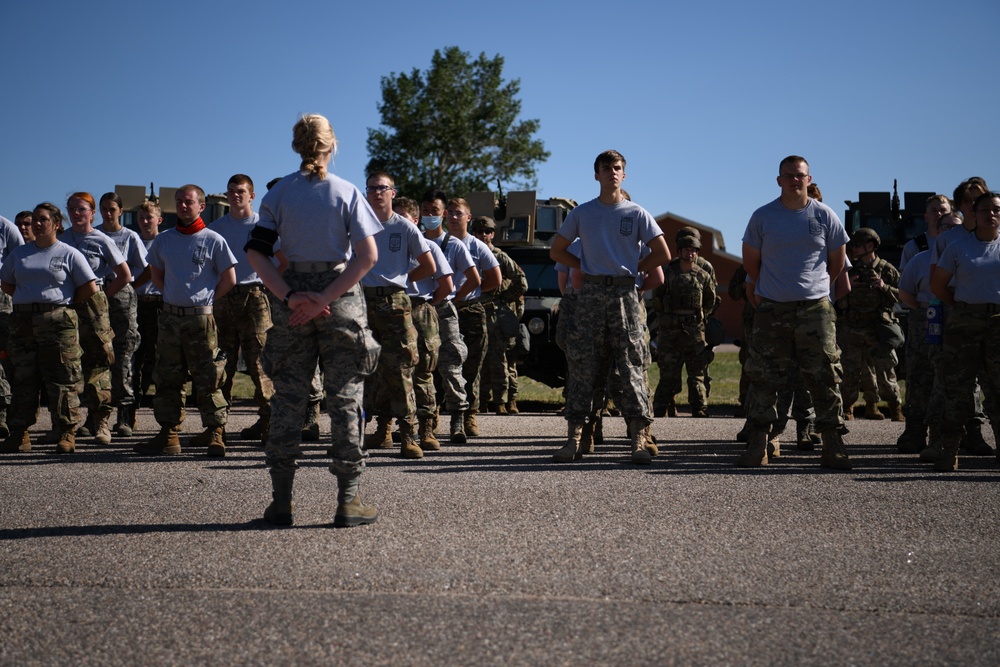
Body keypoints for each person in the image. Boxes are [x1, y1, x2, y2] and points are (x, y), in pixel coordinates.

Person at [246, 113, 382, 528]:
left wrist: (292, 297)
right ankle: (348, 500)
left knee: (288, 397)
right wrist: (326, 297)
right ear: (331, 145)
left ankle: (281, 502)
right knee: (344, 398)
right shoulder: (346, 192)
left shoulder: (279, 194)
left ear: (296, 146)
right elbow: (367, 257)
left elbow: (256, 253)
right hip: (339, 294)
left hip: (294, 294)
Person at [549, 149, 669, 464]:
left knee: (631, 366)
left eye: (617, 168)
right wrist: (584, 266)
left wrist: (635, 271)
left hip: (625, 296)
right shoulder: (582, 214)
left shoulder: (636, 213)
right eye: (606, 168)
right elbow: (557, 250)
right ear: (596, 175)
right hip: (590, 296)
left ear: (624, 174)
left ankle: (639, 441)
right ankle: (573, 440)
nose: (612, 172)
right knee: (583, 367)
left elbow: (662, 253)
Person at [737, 155, 851, 469]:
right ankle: (758, 443)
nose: (794, 180)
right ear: (779, 181)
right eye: (788, 176)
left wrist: (817, 289)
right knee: (764, 377)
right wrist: (772, 290)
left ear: (809, 179)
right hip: (773, 309)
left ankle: (832, 444)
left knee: (825, 376)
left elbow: (837, 262)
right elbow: (751, 264)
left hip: (815, 310)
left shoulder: (825, 215)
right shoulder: (763, 217)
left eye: (800, 175)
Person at [134, 185, 236, 457]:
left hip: (200, 319)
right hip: (169, 318)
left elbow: (229, 278)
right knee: (167, 376)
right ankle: (169, 434)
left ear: (201, 206)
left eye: (188, 202)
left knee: (209, 377)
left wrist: (207, 301)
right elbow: (157, 276)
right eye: (179, 202)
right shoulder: (164, 240)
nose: (182, 206)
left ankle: (215, 432)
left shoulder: (213, 239)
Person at [0, 203, 96, 454]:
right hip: (23, 322)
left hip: (57, 322)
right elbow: (7, 284)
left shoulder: (68, 253)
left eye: (43, 220)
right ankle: (20, 433)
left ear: (56, 224)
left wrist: (62, 303)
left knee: (63, 378)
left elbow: (89, 287)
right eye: (35, 220)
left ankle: (66, 432)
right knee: (23, 378)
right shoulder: (19, 254)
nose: (37, 224)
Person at [360, 171, 435, 458]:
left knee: (401, 369)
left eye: (383, 188)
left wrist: (401, 279)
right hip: (363, 301)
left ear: (393, 192)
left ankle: (408, 435)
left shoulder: (404, 227)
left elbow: (428, 265)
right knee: (364, 370)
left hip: (395, 302)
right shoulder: (357, 225)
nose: (377, 192)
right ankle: (366, 433)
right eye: (372, 188)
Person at [928, 191, 1000, 471]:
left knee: (997, 389)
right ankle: (950, 451)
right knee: (956, 389)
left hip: (998, 323)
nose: (991, 214)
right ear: (973, 214)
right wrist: (961, 307)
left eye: (996, 209)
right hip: (964, 323)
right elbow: (938, 286)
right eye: (985, 210)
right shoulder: (959, 246)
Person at [210, 175, 277, 444]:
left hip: (255, 296)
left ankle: (270, 423)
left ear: (252, 195)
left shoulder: (264, 225)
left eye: (241, 191)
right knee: (220, 363)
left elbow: (280, 261)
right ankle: (216, 427)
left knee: (259, 362)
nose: (235, 196)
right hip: (225, 297)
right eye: (231, 192)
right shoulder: (216, 228)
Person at [63, 192, 130, 446]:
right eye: (72, 209)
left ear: (92, 213)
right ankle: (66, 425)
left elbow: (124, 275)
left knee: (99, 363)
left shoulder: (100, 240)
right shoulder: (62, 239)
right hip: (67, 305)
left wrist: (102, 296)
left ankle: (101, 421)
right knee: (67, 365)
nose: (77, 214)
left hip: (93, 306)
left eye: (82, 209)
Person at [397, 197, 452, 451]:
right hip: (391, 311)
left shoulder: (429, 246)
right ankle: (385, 428)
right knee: (389, 372)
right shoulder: (386, 244)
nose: (398, 222)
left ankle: (426, 431)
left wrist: (426, 305)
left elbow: (446, 285)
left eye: (403, 218)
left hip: (419, 310)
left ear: (415, 221)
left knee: (423, 373)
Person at [421, 189, 476, 443]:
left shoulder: (453, 244)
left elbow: (475, 279)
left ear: (443, 214)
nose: (430, 215)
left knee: (451, 363)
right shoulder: (416, 240)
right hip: (420, 308)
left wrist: (454, 298)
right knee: (421, 366)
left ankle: (457, 420)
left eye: (435, 211)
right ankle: (426, 419)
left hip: (443, 308)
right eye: (426, 211)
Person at [835, 227, 903, 421]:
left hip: (878, 329)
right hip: (852, 328)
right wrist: (848, 287)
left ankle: (895, 407)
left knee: (885, 371)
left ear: (870, 245)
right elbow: (837, 301)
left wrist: (883, 286)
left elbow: (903, 296)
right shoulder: (849, 270)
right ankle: (847, 407)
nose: (853, 249)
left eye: (857, 245)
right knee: (850, 371)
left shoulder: (887, 269)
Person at [446, 199, 501, 437]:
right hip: (444, 309)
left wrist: (471, 293)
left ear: (469, 218)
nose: (454, 217)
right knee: (440, 365)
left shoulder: (477, 246)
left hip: (470, 310)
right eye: (451, 213)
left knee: (472, 366)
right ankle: (434, 414)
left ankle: (470, 414)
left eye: (459, 213)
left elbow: (494, 279)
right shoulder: (439, 243)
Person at [97, 192, 149, 437]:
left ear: (120, 210)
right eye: (104, 209)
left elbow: (147, 269)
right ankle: (96, 416)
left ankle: (125, 416)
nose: (108, 213)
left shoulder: (130, 237)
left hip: (122, 300)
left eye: (112, 209)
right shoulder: (93, 235)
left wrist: (128, 288)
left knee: (124, 356)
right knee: (97, 356)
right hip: (96, 300)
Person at [651, 232, 718, 419]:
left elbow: (710, 302)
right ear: (679, 251)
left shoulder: (703, 275)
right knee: (668, 373)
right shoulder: (668, 274)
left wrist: (699, 319)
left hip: (695, 331)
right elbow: (657, 298)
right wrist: (666, 319)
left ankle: (699, 408)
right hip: (671, 331)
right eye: (686, 250)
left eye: (694, 251)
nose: (690, 254)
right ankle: (659, 408)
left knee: (696, 373)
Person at [471, 215, 527, 416]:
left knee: (501, 360)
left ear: (493, 234)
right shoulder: (468, 253)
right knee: (478, 359)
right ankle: (481, 400)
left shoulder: (500, 257)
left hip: (497, 315)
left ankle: (504, 401)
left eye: (487, 231)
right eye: (478, 231)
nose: (483, 235)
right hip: (476, 312)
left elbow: (521, 282)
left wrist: (503, 298)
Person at [133, 201, 163, 406]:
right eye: (141, 218)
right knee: (136, 354)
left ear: (159, 220)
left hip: (159, 303)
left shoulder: (166, 241)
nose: (145, 222)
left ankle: (161, 399)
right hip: (135, 304)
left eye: (149, 217)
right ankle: (135, 398)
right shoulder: (132, 241)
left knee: (159, 354)